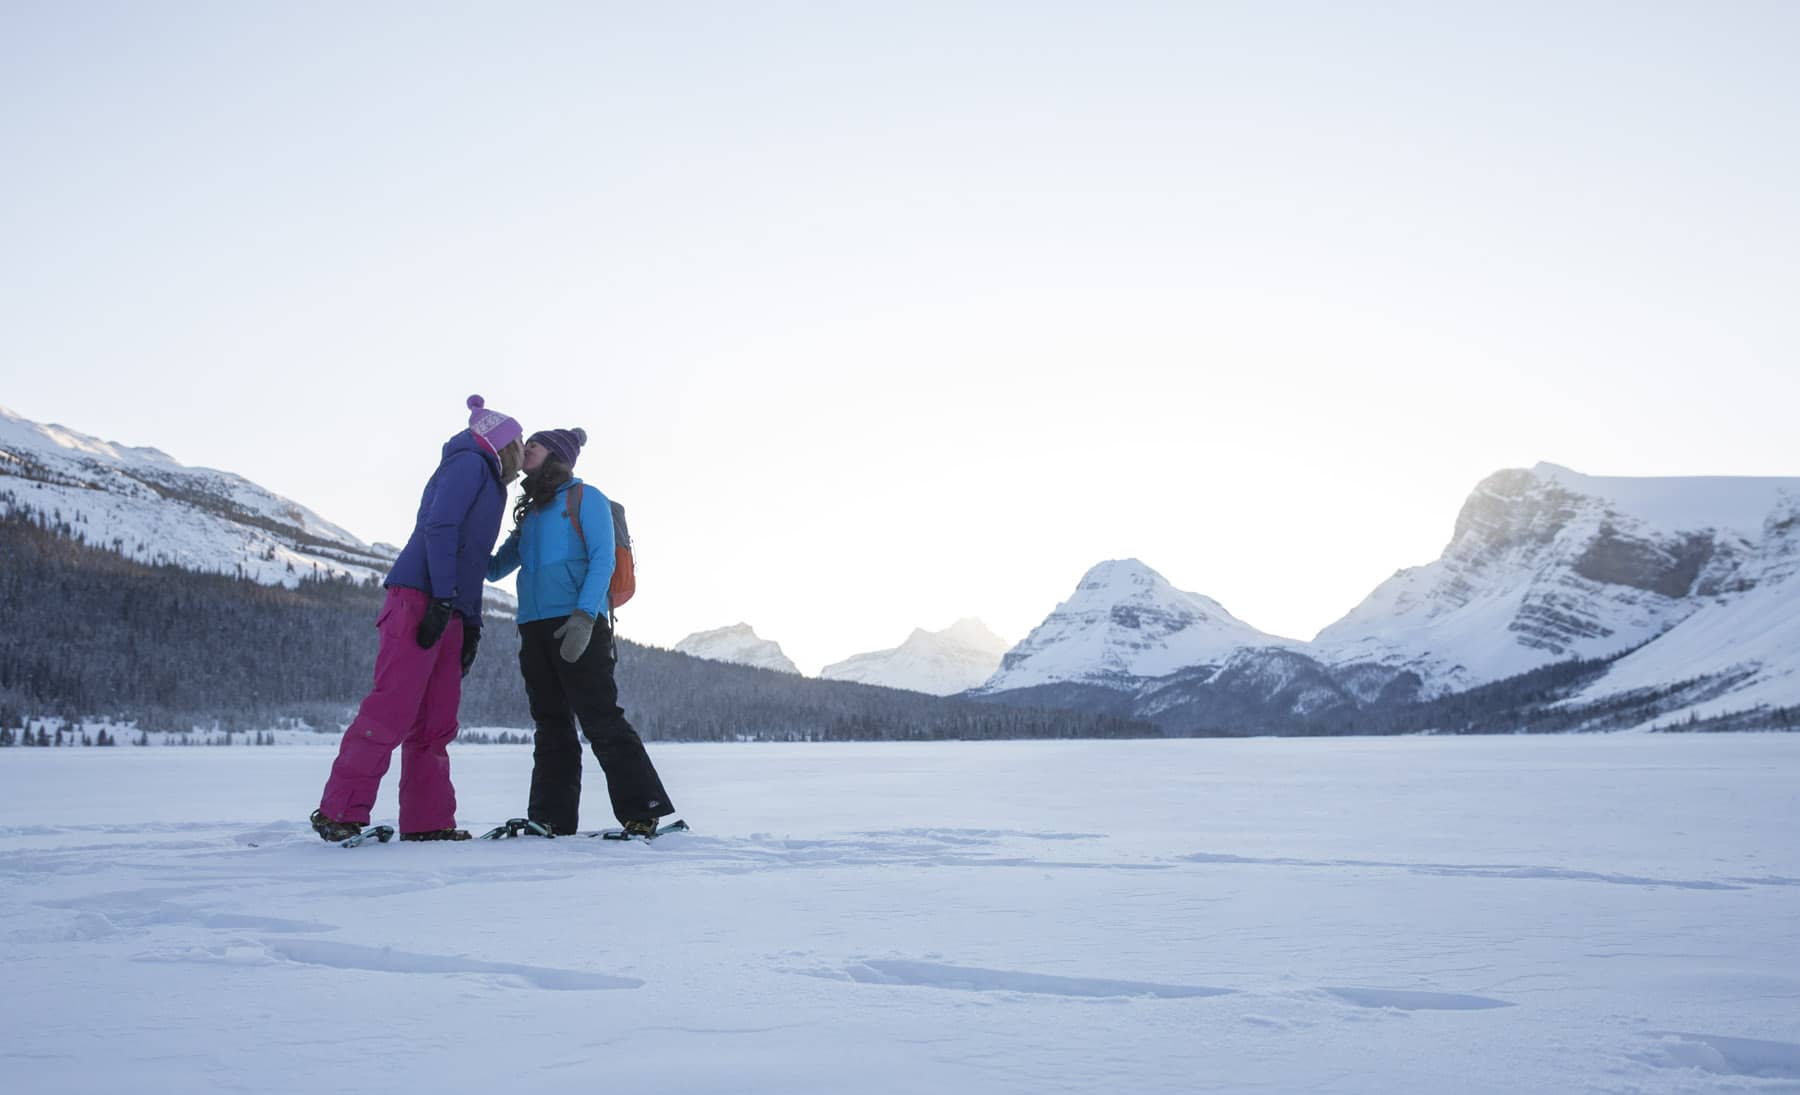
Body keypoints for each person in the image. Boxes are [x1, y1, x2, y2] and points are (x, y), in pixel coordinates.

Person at [311, 395, 524, 842]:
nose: (523, 460)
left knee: (435, 722)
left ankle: (429, 822)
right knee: (392, 708)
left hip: (450, 610)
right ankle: (339, 811)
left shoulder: (491, 480)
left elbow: (472, 559)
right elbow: (440, 528)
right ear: (502, 443)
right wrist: (442, 600)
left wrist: (471, 624)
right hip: (418, 599)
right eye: (520, 446)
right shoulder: (467, 463)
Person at [487, 426, 675, 836]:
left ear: (555, 455)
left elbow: (602, 559)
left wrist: (584, 618)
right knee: (551, 725)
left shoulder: (586, 498)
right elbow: (495, 567)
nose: (525, 449)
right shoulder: (533, 513)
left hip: (578, 623)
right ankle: (551, 817)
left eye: (533, 445)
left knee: (601, 718)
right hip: (533, 628)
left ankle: (642, 810)